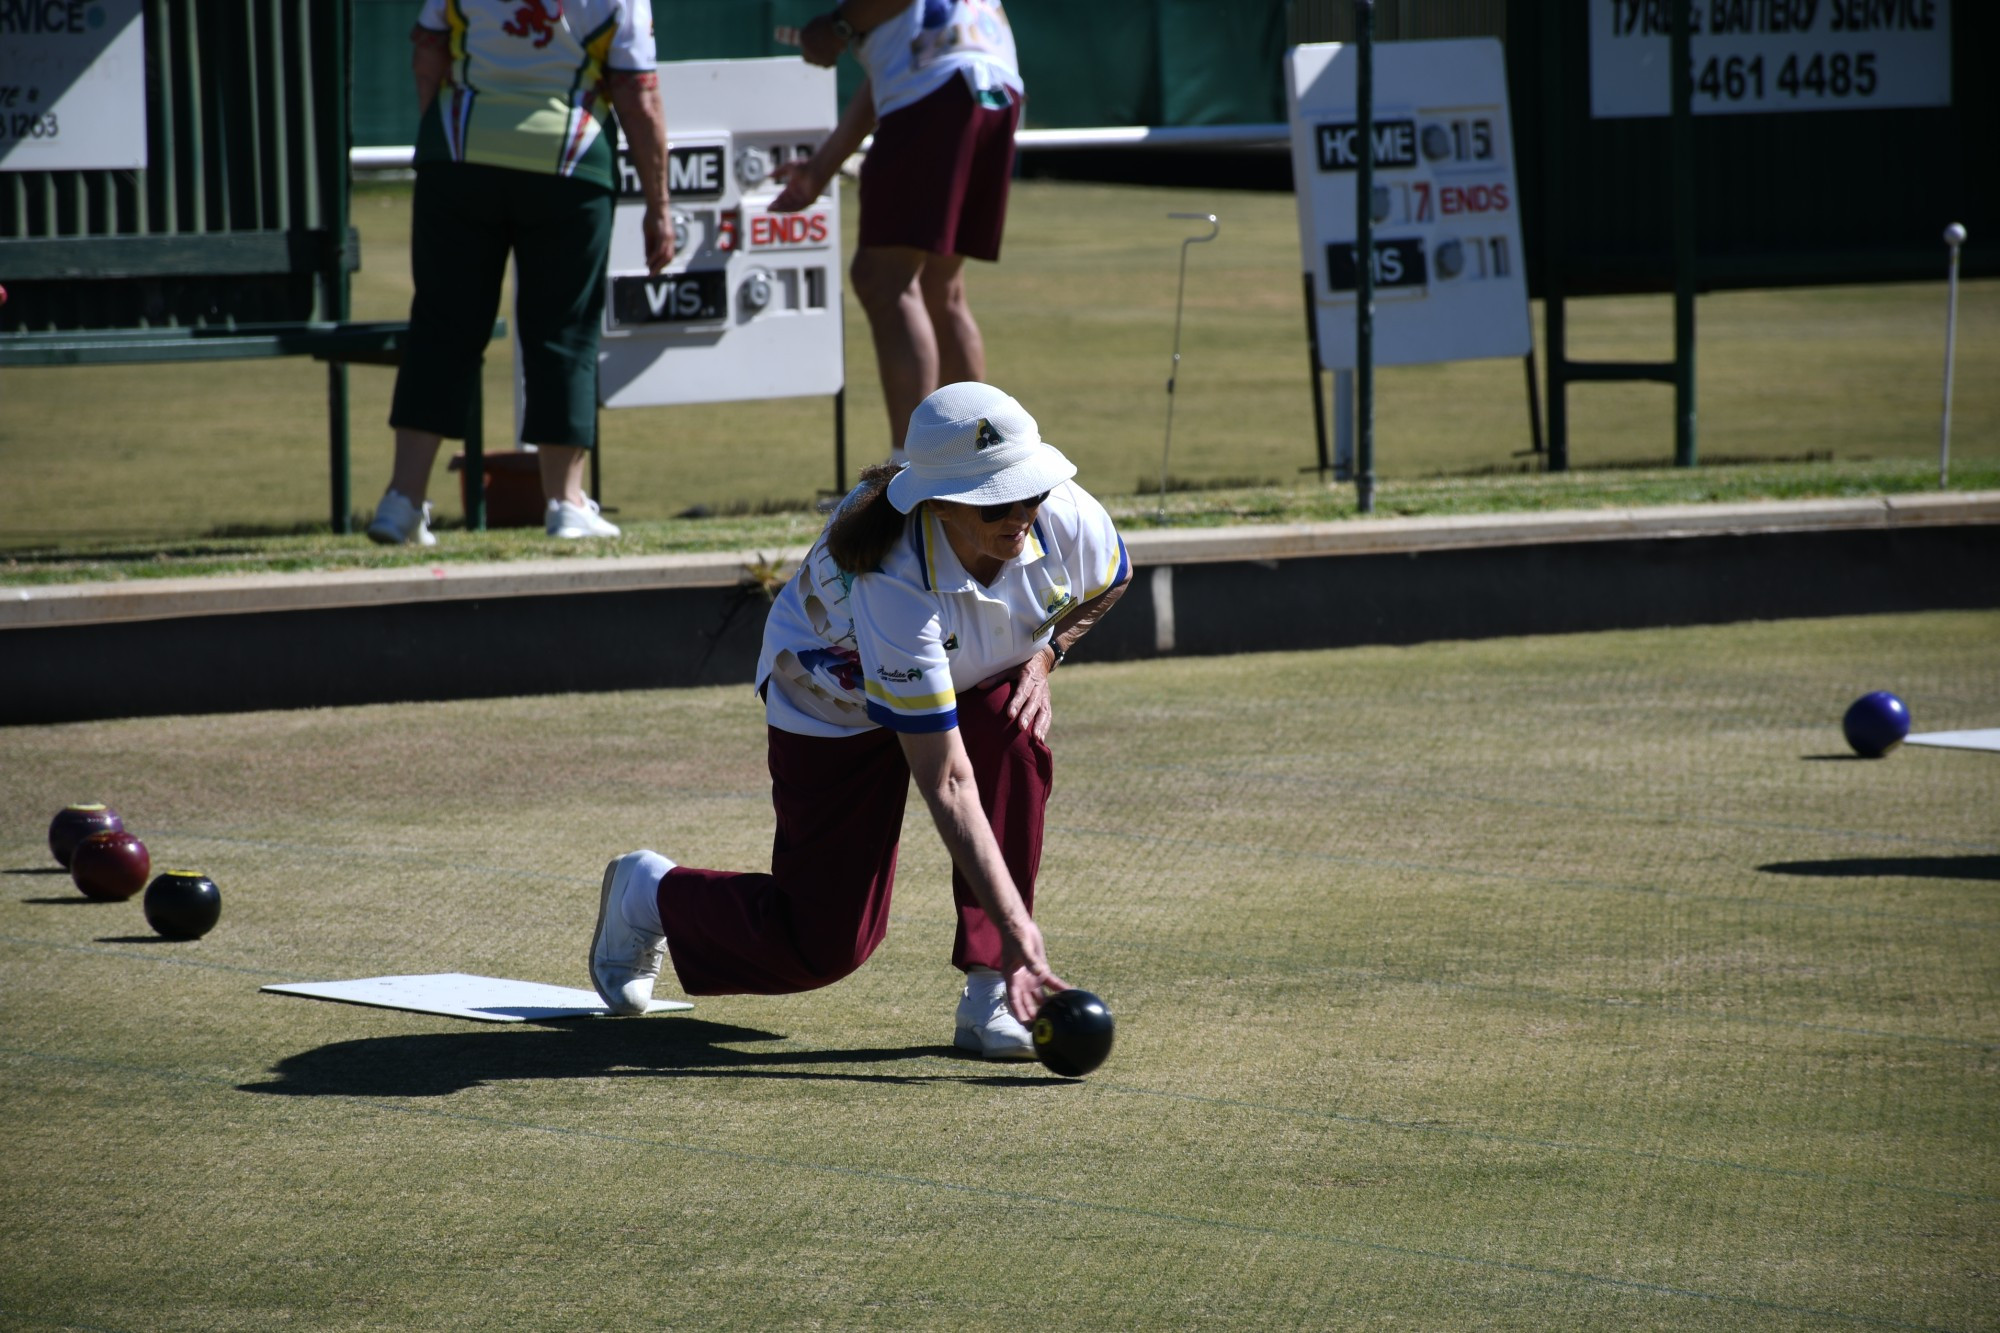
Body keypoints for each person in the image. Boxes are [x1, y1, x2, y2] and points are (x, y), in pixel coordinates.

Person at [589, 382, 1131, 1057]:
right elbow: (949, 784)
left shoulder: (1064, 518)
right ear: (937, 503)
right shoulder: (893, 578)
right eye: (996, 498)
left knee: (1011, 730)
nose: (1020, 511)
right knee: (821, 944)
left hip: (964, 675)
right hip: (830, 699)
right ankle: (650, 893)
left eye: (1031, 490)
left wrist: (1046, 656)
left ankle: (993, 991)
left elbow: (1113, 579)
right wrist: (1024, 927)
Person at [366, 0, 674, 547]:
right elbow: (638, 93)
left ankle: (401, 500)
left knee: (441, 325)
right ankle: (566, 503)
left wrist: (435, 136)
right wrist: (660, 204)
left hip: (458, 153)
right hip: (570, 163)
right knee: (564, 331)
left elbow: (428, 50)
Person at [771, 1, 1023, 464]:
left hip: (937, 84)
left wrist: (838, 27)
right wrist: (820, 170)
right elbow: (884, 76)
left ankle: (914, 469)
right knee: (939, 289)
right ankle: (981, 462)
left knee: (883, 280)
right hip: (991, 84)